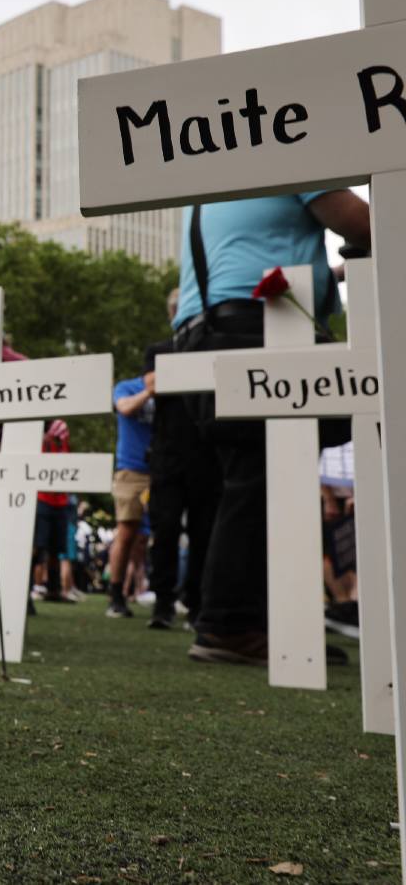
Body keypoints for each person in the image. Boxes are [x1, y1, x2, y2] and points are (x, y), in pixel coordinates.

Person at [174, 191, 370, 664]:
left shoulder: (216, 171)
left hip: (205, 330)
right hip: (255, 324)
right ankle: (231, 623)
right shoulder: (291, 149)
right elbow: (363, 222)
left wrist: (331, 277)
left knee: (256, 478)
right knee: (260, 479)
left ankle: (271, 623)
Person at [143, 295, 220, 631]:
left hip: (207, 453)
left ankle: (198, 604)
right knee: (166, 529)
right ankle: (163, 603)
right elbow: (154, 385)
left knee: (205, 532)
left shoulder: (212, 349)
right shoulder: (158, 350)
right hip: (167, 455)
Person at [107, 372, 153, 618]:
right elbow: (123, 408)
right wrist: (149, 392)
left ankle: (148, 592)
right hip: (131, 471)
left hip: (164, 470)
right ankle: (116, 595)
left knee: (146, 539)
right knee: (126, 533)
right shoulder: (126, 386)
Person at [33, 420, 76, 602]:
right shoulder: (39, 438)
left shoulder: (63, 437)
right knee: (37, 546)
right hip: (42, 498)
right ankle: (29, 586)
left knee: (56, 548)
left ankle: (54, 590)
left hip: (61, 501)